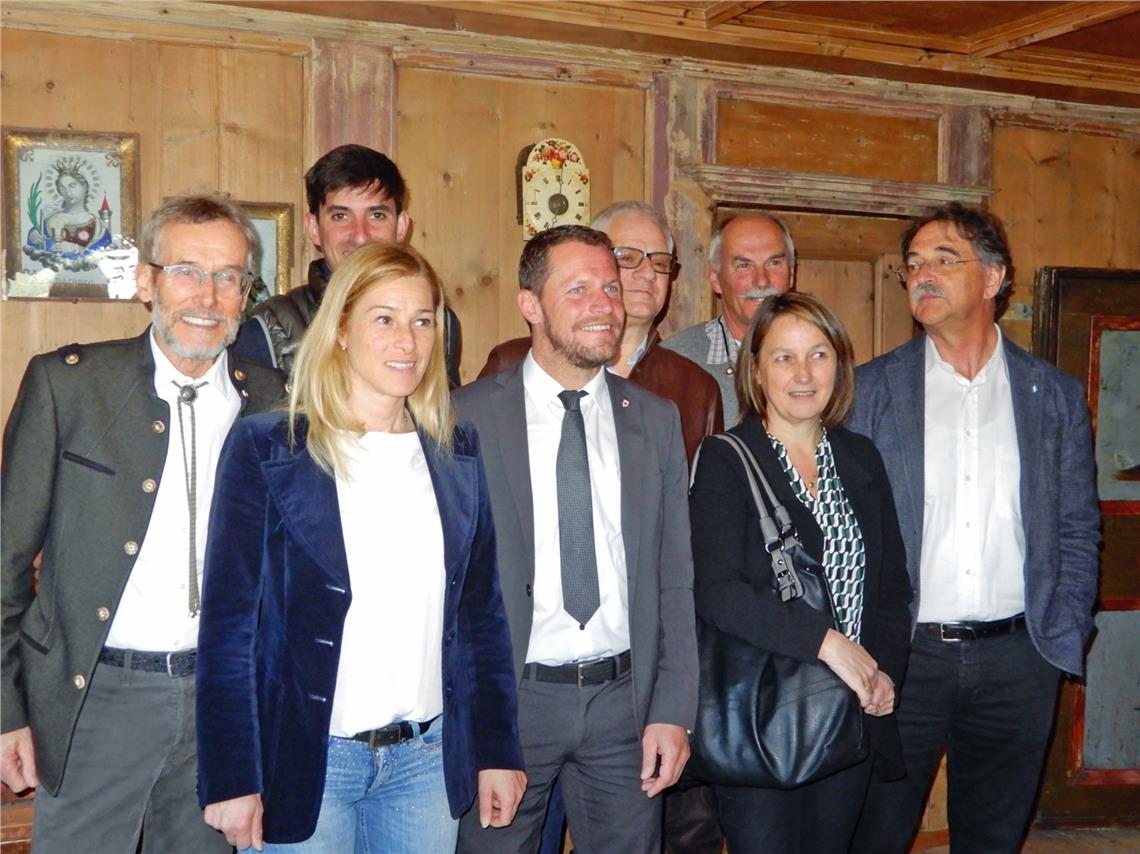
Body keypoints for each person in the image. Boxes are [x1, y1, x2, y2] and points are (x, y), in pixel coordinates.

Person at [196, 242, 525, 852]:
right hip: (308, 764)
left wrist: (497, 750)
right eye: (384, 319)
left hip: (425, 762)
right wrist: (232, 778)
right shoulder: (267, 447)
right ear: (341, 329)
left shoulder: (457, 450)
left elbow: (481, 618)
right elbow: (228, 629)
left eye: (422, 321)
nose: (408, 341)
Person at [0, 194, 285, 854]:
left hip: (224, 705)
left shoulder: (275, 401)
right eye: (186, 271)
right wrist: (6, 711)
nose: (207, 297)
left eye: (228, 276)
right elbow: (5, 562)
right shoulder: (69, 386)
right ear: (146, 281)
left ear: (246, 293)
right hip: (94, 699)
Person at [848, 203, 1101, 853]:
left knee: (992, 838)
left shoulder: (1053, 396)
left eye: (943, 259)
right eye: (913, 264)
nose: (922, 275)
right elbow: (841, 530)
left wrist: (1061, 636)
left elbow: (1077, 525)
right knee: (873, 833)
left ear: (993, 279)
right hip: (903, 658)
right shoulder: (869, 391)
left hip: (1019, 659)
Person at [480, 201, 724, 853]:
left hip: (624, 702)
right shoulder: (469, 418)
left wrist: (671, 709)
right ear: (530, 305)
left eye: (610, 288)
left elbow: (675, 578)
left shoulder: (655, 419)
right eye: (579, 289)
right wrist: (479, 728)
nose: (604, 305)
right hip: (515, 701)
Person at [689, 292, 912, 853]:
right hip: (764, 712)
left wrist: (883, 674)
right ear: (756, 372)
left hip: (851, 709)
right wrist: (826, 643)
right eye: (784, 358)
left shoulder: (860, 457)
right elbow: (718, 593)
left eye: (818, 355)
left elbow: (891, 590)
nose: (804, 374)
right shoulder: (725, 459)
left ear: (839, 365)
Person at [479, 200, 723, 462]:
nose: (648, 273)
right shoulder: (512, 363)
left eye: (661, 262)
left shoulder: (695, 387)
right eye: (627, 258)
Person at [233, 144, 462, 385]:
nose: (360, 235)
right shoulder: (268, 330)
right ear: (313, 228)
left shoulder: (439, 322)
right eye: (341, 216)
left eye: (377, 215)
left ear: (402, 226)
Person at [663, 213, 796, 425]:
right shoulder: (673, 364)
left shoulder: (823, 360)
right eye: (744, 265)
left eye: (774, 263)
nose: (762, 281)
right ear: (715, 278)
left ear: (791, 274)